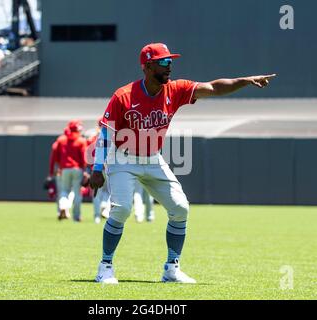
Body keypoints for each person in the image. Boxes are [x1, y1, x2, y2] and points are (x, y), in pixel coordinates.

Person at [90, 43, 276, 284]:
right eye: (164, 62)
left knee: (180, 208)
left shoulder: (175, 89)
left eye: (170, 61)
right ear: (147, 66)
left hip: (153, 158)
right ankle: (105, 267)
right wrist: (96, 169)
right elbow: (105, 133)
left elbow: (213, 88)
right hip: (122, 158)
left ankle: (171, 268)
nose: (170, 66)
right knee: (122, 208)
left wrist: (246, 80)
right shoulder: (123, 95)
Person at [56, 119, 87, 222]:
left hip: (64, 169)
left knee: (64, 190)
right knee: (77, 193)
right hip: (77, 169)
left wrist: (58, 168)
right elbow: (84, 158)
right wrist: (86, 170)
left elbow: (56, 156)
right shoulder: (81, 140)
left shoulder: (61, 140)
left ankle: (63, 206)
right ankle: (76, 216)